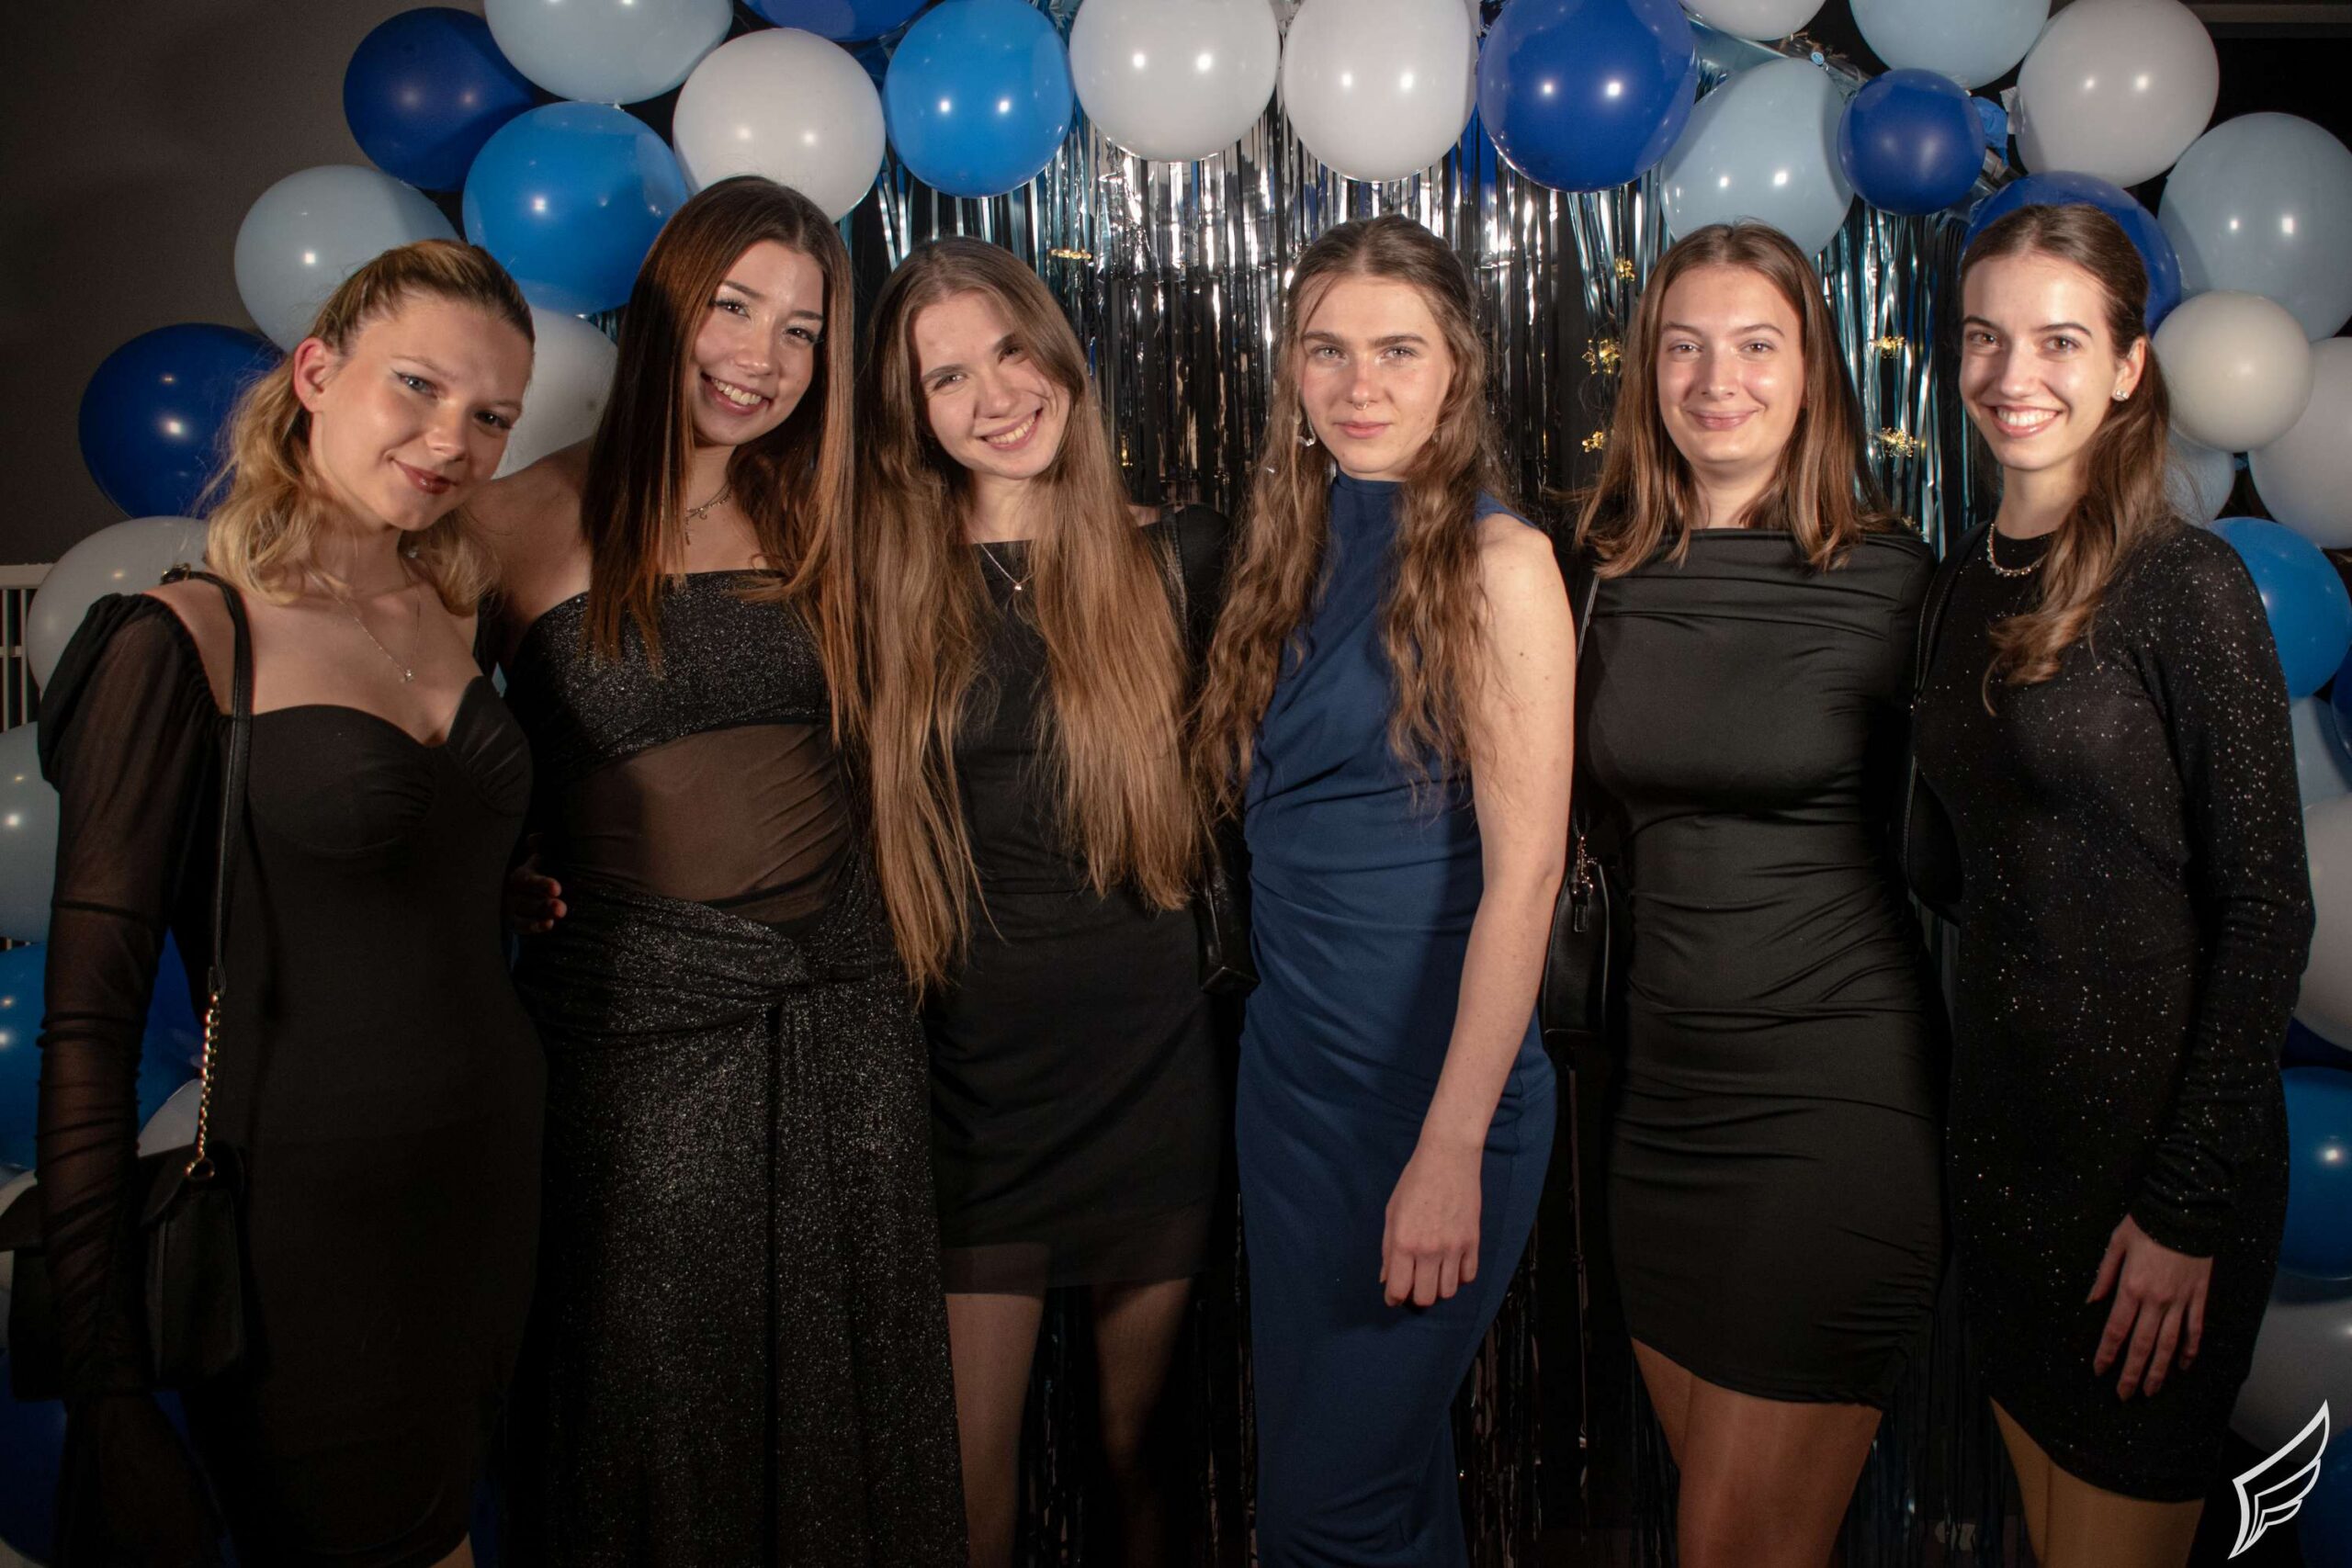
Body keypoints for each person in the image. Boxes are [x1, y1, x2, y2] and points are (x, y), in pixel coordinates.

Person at [477, 176, 964, 1564]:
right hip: (633, 1033)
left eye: (801, 331)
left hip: (844, 1013)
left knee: (847, 1413)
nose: (762, 357)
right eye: (735, 309)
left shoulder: (835, 516)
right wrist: (488, 865)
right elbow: (400, 741)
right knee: (648, 1405)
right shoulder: (512, 522)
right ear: (666, 305)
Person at [35, 239, 539, 1567]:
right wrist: (104, 1387)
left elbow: (395, 869)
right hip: (304, 1226)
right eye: (418, 386)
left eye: (493, 415)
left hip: (492, 1190)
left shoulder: (451, 610)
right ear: (316, 373)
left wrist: (507, 880)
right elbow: (87, 1031)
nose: (453, 440)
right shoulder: (185, 640)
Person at [1915, 202, 2312, 1568]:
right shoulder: (1960, 586)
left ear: (2130, 367)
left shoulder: (2185, 585)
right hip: (2004, 1157)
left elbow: (2269, 910)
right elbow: (1964, 869)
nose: (2012, 373)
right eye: (1985, 337)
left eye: (2059, 341)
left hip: (2153, 1180)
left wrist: (2185, 1207)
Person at [1189, 213, 1570, 1565]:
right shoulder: (1284, 550)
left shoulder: (1502, 564)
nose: (1360, 385)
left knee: (1328, 1513)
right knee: (1383, 1492)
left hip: (1432, 1099)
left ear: (1457, 367)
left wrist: (1452, 1148)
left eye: (1398, 350)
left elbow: (1528, 879)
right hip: (1294, 1088)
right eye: (1327, 350)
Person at [1567, 222, 1944, 1567]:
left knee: (1731, 1546)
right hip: (1660, 1104)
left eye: (1755, 345)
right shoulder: (1598, 575)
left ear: (1814, 371)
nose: (1716, 380)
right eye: (1684, 347)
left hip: (1834, 1099)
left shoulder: (1900, 583)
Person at [854, 237, 1225, 1567]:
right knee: (963, 1492)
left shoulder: (1181, 555)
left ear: (1060, 354)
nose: (995, 395)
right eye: (946, 376)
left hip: (1152, 1069)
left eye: (1010, 350)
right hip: (968, 1084)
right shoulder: (872, 584)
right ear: (912, 415)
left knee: (1145, 1464)